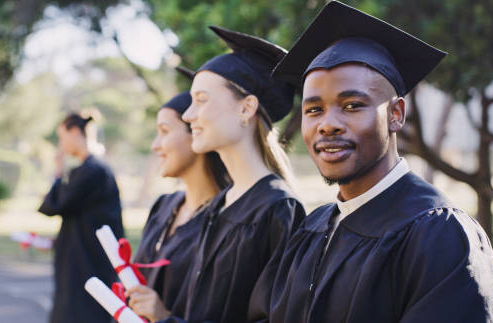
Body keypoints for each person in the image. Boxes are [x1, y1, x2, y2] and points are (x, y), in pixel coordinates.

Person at [248, 2, 493, 322]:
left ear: (395, 115)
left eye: (352, 105)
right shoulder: (312, 229)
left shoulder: (440, 235)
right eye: (314, 110)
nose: (328, 124)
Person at [129, 26, 306, 323]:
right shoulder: (218, 206)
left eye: (202, 99)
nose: (188, 114)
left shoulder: (277, 209)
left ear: (246, 108)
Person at [130, 68, 231, 322]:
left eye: (164, 131)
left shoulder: (228, 220)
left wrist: (164, 317)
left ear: (196, 131)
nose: (155, 145)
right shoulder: (164, 206)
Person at [38, 113, 125, 323]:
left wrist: (58, 170)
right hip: (82, 262)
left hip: (86, 266)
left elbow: (53, 205)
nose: (61, 145)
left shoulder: (92, 172)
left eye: (62, 137)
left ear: (76, 133)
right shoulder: (90, 170)